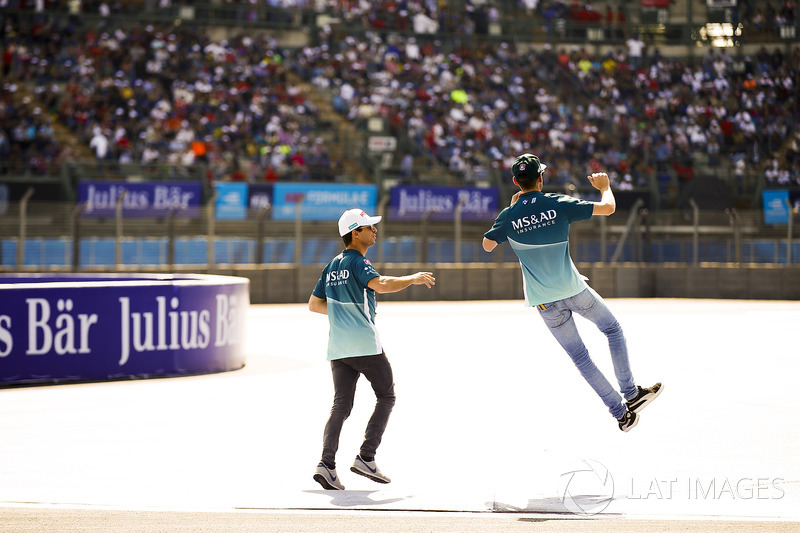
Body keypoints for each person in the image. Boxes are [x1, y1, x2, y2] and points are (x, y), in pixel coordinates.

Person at [482, 154, 662, 432]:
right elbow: (608, 208)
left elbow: (487, 245)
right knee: (612, 329)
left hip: (544, 303)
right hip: (574, 290)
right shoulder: (556, 203)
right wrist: (604, 187)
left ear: (516, 182)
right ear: (540, 178)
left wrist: (510, 211)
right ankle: (632, 394)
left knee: (580, 358)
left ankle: (620, 415)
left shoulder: (509, 216)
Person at [309, 208, 436, 489]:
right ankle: (366, 457)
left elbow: (314, 304)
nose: (374, 230)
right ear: (355, 233)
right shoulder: (357, 262)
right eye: (369, 227)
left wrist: (343, 314)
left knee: (340, 405)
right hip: (364, 344)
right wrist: (412, 278)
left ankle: (326, 464)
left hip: (338, 348)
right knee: (387, 396)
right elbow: (381, 284)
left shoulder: (331, 266)